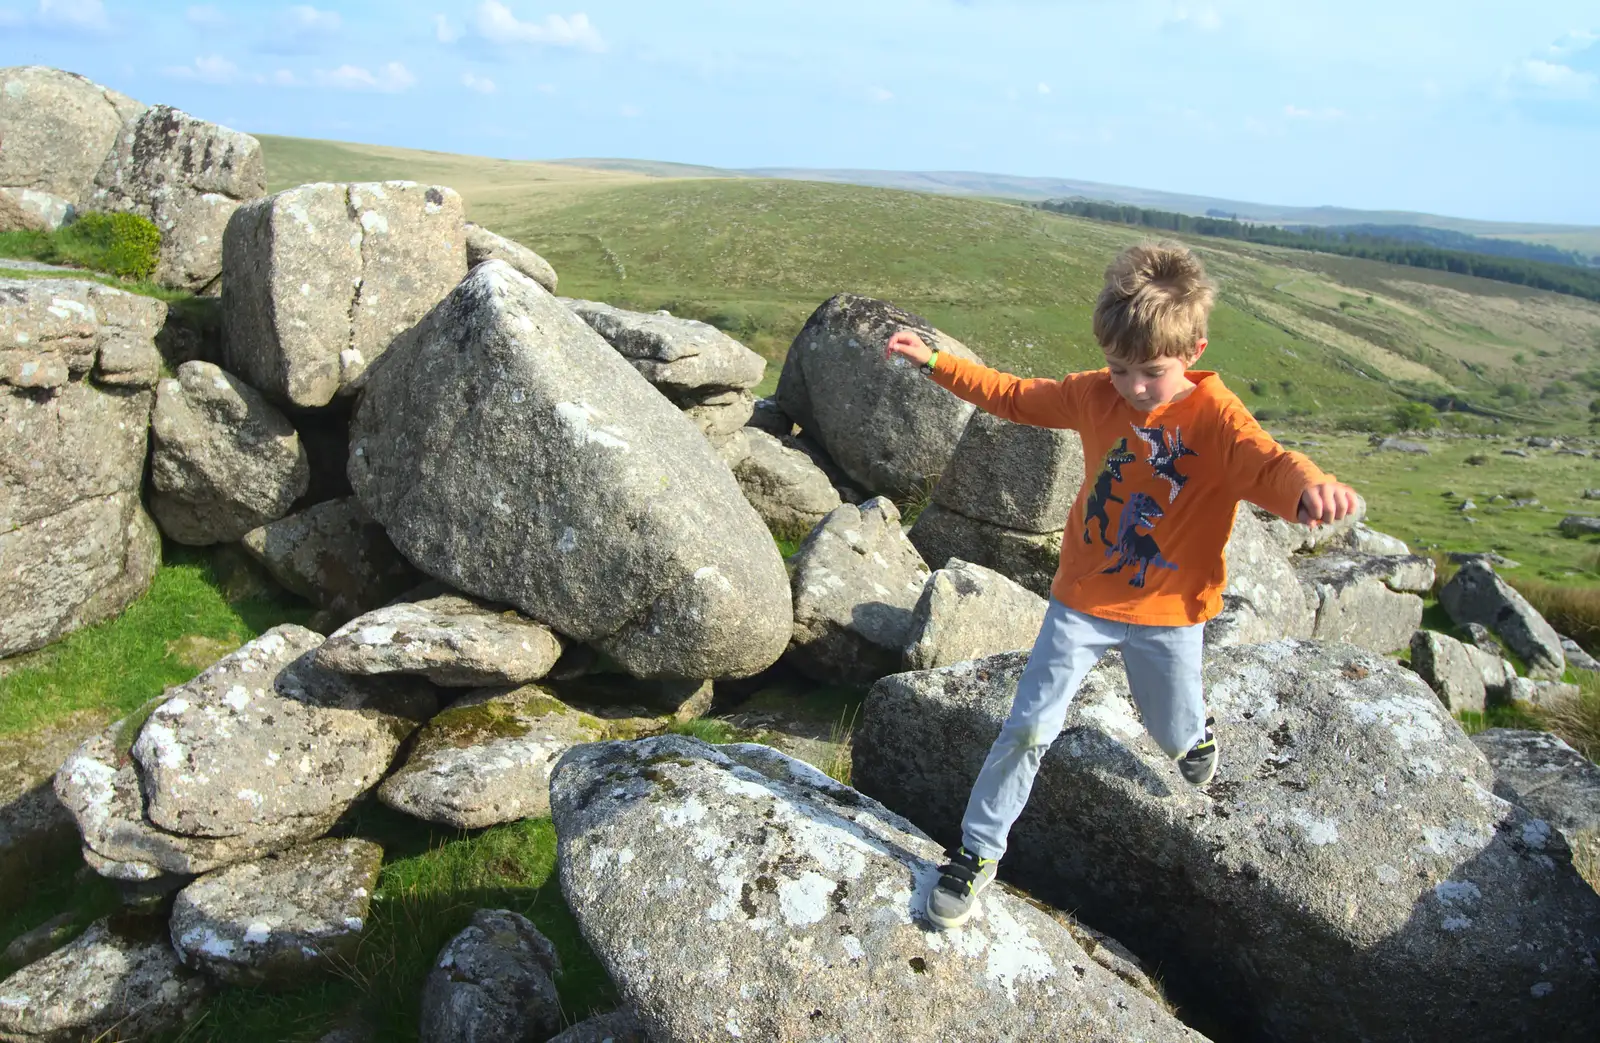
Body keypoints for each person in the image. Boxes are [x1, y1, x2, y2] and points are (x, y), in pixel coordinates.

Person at [884, 240, 1359, 930]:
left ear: (1193, 350)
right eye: (1119, 368)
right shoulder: (1097, 394)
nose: (1132, 387)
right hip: (1083, 601)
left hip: (1170, 613)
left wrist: (1313, 488)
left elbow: (1272, 463)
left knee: (1170, 727)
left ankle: (1193, 735)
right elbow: (1016, 396)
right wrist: (936, 362)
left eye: (1151, 373)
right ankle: (976, 852)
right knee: (1027, 726)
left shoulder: (1218, 420)